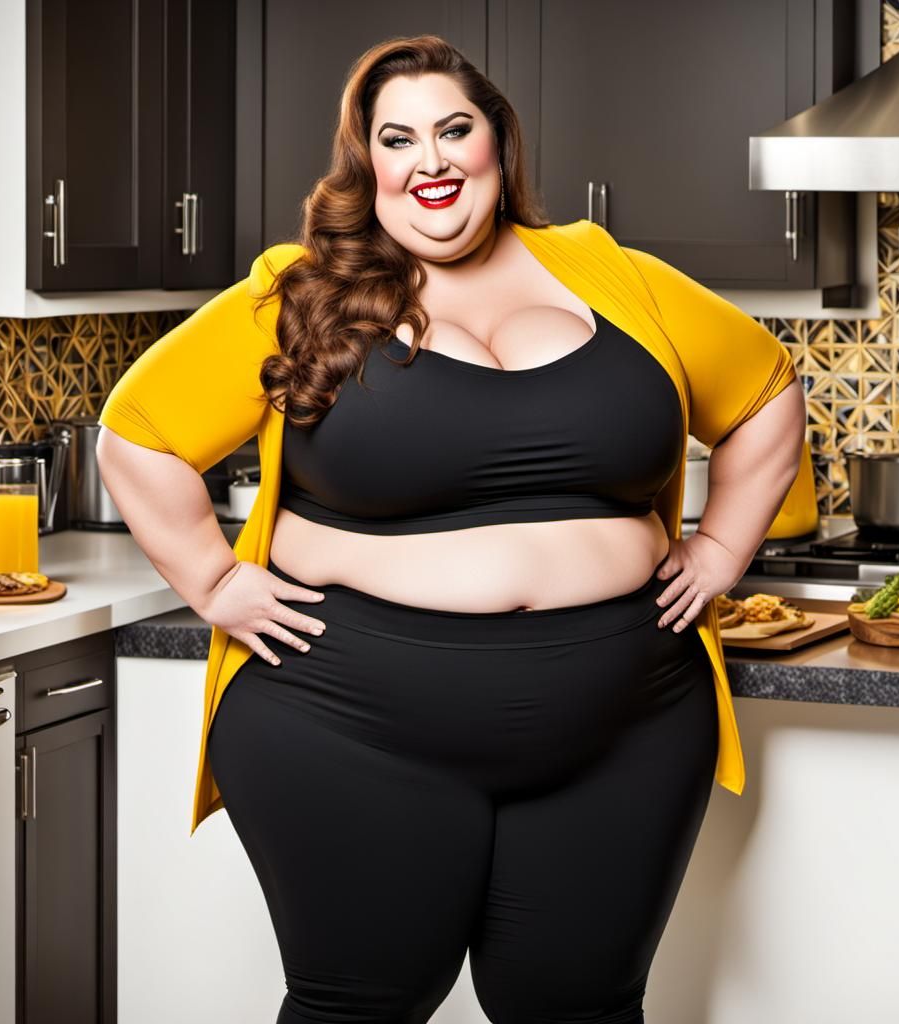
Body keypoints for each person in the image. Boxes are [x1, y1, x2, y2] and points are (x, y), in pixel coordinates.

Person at [97, 34, 806, 1024]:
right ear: (368, 163)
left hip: (628, 723)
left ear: (495, 143)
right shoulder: (301, 291)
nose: (430, 158)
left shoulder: (609, 272)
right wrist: (216, 585)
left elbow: (767, 390)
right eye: (398, 138)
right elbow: (137, 434)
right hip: (351, 726)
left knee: (580, 1005)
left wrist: (723, 549)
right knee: (360, 1006)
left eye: (452, 129)